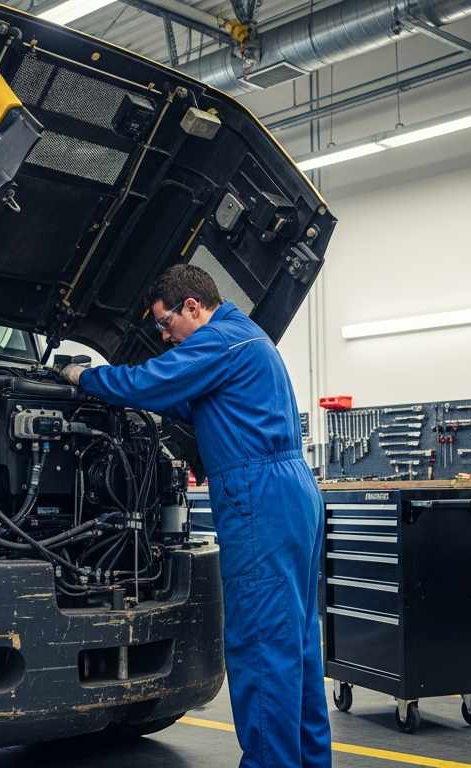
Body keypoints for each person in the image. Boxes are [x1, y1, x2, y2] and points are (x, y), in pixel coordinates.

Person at [58, 264, 330, 768]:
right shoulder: (243, 339)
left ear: (192, 307)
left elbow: (148, 380)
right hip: (291, 492)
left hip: (260, 496)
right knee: (297, 647)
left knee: (261, 648)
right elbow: (189, 401)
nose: (164, 338)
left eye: (166, 325)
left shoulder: (217, 340)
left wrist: (83, 376)